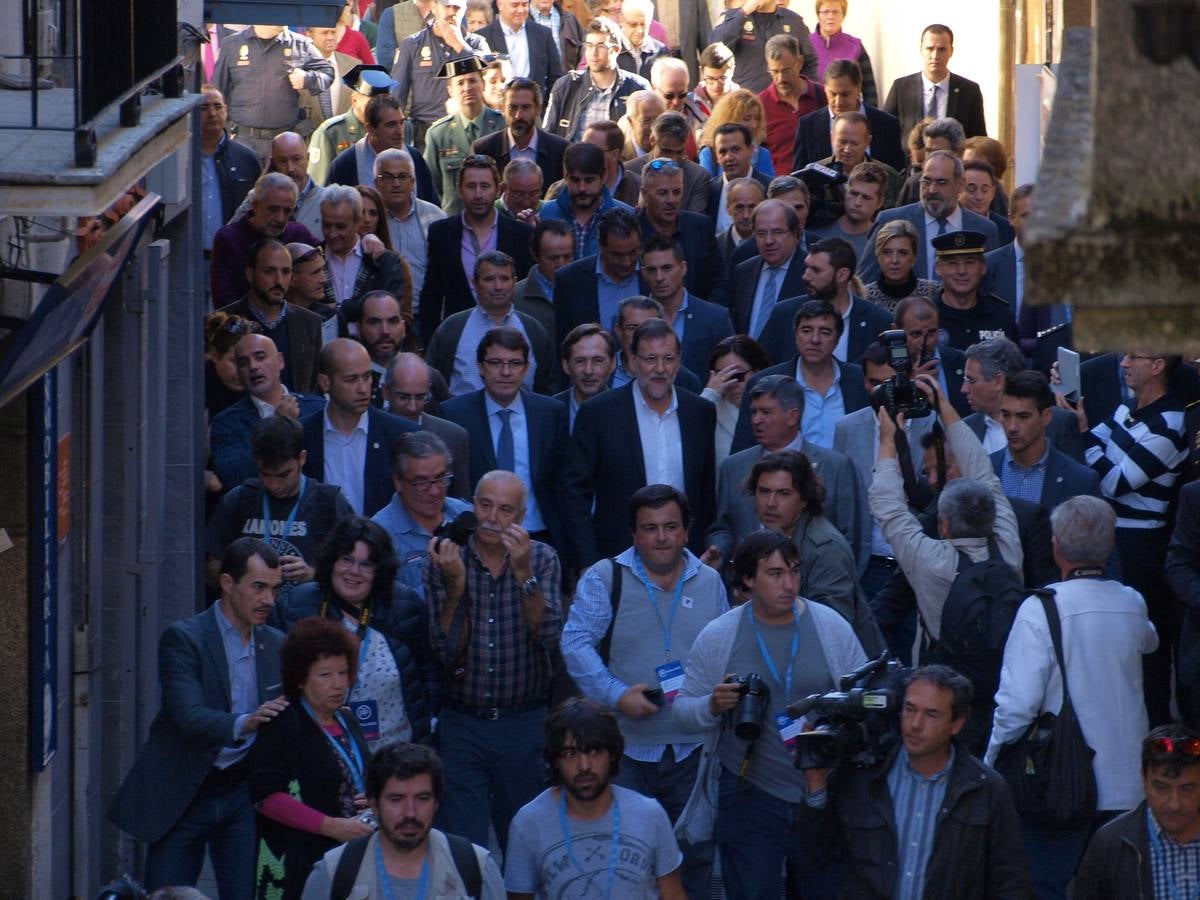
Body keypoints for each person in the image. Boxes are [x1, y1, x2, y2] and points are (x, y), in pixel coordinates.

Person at [672, 529, 867, 900]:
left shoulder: (830, 627)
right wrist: (712, 705)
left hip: (821, 789)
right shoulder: (720, 636)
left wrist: (834, 724)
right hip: (749, 793)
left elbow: (863, 700)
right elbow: (682, 712)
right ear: (748, 579)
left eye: (794, 571)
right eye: (775, 574)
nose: (789, 584)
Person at [986, 496, 1158, 899]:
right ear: (1110, 547)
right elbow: (1150, 642)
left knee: (1046, 887)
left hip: (1060, 786)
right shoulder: (1132, 603)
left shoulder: (1040, 609)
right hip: (1129, 786)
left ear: (1056, 546)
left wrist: (991, 761)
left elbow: (1017, 705)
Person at [560, 485, 727, 896]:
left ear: (687, 532)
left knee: (695, 861)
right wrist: (616, 694)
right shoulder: (605, 577)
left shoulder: (711, 583)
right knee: (625, 863)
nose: (661, 537)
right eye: (649, 528)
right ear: (634, 534)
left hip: (694, 750)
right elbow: (575, 642)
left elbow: (725, 654)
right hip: (627, 750)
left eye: (671, 526)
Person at [108, 539, 288, 898]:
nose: (268, 599)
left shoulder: (276, 643)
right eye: (258, 587)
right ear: (226, 584)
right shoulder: (185, 638)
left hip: (240, 792)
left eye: (274, 589)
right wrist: (247, 722)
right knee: (167, 893)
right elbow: (188, 716)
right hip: (185, 792)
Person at [868, 376, 1022, 748]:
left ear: (946, 524)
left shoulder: (932, 561)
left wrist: (888, 441)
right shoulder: (1008, 546)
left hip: (943, 694)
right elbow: (982, 470)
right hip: (1004, 687)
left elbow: (887, 505)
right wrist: (945, 406)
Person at [797, 665, 1031, 898]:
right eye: (910, 709)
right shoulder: (863, 776)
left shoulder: (985, 789)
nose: (915, 724)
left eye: (931, 714)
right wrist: (817, 786)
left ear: (957, 723)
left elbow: (1010, 882)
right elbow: (818, 854)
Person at [425, 470, 564, 851]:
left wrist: (524, 576)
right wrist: (456, 586)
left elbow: (549, 635)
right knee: (462, 844)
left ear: (520, 519)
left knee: (524, 841)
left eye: (505, 510)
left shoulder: (543, 558)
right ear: (472, 504)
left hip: (525, 721)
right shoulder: (445, 556)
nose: (492, 517)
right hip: (462, 722)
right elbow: (442, 650)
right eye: (485, 505)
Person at [1061, 351, 1188, 727]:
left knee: (1147, 652)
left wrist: (1085, 436)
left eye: (1135, 356)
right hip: (1116, 542)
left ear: (1158, 365)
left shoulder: (1172, 422)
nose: (1123, 363)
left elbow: (1115, 482)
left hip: (1142, 552)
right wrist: (1086, 432)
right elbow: (1098, 449)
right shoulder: (1128, 408)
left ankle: (1156, 730)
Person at [274, 517, 438, 753]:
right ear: (331, 561)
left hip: (396, 754)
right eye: (346, 560)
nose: (354, 572)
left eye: (366, 564)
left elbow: (429, 675)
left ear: (379, 570)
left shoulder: (404, 606)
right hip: (322, 754)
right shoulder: (297, 605)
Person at [565, 318, 717, 566]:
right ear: (633, 362)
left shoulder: (700, 412)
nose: (660, 368)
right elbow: (575, 494)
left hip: (686, 558)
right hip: (618, 558)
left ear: (678, 361)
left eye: (668, 359)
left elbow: (706, 493)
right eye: (650, 359)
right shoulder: (598, 414)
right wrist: (589, 563)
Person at [505, 698, 689, 899]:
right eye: (570, 753)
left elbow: (674, 895)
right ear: (555, 760)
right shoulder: (529, 823)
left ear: (612, 754)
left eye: (594, 751)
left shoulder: (650, 815)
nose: (584, 766)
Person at [244, 617, 374, 898]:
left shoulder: (347, 717)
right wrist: (332, 826)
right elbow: (266, 797)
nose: (338, 684)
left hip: (353, 856)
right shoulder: (283, 721)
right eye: (325, 675)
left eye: (343, 672)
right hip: (300, 859)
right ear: (300, 678)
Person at [710, 373, 865, 580]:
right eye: (754, 412)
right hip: (747, 594)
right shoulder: (733, 466)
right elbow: (724, 527)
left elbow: (852, 537)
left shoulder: (835, 467)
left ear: (793, 416)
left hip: (816, 591)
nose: (756, 420)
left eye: (766, 412)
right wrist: (718, 551)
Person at [301, 742, 506, 899]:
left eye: (422, 798)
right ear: (374, 804)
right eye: (396, 799)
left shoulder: (477, 869)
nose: (410, 813)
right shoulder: (333, 873)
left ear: (436, 802)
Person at [438, 326, 568, 543]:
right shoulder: (454, 414)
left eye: (515, 363)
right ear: (480, 367)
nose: (506, 372)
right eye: (496, 363)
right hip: (479, 537)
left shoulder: (550, 413)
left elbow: (563, 482)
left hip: (540, 536)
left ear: (526, 368)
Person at [206, 415, 352, 603]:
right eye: (265, 475)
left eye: (283, 475)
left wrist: (313, 574)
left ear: (302, 458)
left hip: (308, 619)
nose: (274, 485)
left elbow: (357, 573)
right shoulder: (239, 500)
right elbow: (211, 569)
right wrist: (244, 574)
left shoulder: (329, 502)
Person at [832, 342, 938, 600]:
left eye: (889, 382)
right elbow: (841, 500)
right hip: (868, 566)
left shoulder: (934, 422)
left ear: (908, 379)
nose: (881, 391)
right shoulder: (847, 428)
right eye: (873, 382)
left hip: (918, 564)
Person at [1074, 725, 1200, 899]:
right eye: (1162, 788)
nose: (1174, 804)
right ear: (1143, 779)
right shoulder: (1110, 843)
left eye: (1187, 789)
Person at [731, 300, 873, 452]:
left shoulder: (860, 379)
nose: (815, 340)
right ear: (796, 334)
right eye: (806, 331)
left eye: (825, 332)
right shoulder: (762, 382)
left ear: (838, 338)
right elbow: (744, 447)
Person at [418, 155, 536, 339]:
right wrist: (428, 344)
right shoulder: (441, 233)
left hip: (509, 339)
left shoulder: (521, 234)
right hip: (458, 337)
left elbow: (527, 293)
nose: (478, 194)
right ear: (460, 190)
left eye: (485, 186)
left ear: (498, 190)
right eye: (471, 186)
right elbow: (432, 294)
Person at [300, 339, 418, 517]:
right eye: (351, 379)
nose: (363, 389)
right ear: (325, 383)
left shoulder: (401, 435)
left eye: (367, 376)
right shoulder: (302, 436)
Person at [857, 150, 1000, 284]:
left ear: (960, 184)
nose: (932, 190)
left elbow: (990, 285)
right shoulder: (889, 221)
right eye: (926, 182)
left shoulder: (984, 229)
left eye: (942, 182)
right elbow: (865, 283)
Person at [424, 251, 556, 396]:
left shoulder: (534, 330)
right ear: (475, 283)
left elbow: (548, 385)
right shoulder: (451, 329)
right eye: (489, 279)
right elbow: (430, 381)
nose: (498, 286)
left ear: (514, 282)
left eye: (504, 279)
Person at [209, 333, 326, 491]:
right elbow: (234, 477)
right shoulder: (226, 422)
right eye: (244, 363)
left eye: (260, 357)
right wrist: (277, 428)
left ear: (280, 361)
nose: (253, 367)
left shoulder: (318, 408)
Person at [756, 237, 892, 366]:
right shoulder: (784, 314)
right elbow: (763, 367)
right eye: (807, 268)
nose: (805, 276)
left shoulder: (878, 321)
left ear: (842, 275)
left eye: (815, 270)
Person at [372, 430, 474, 597]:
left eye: (441, 478)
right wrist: (445, 580)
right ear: (398, 482)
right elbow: (389, 607)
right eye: (421, 482)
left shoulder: (466, 514)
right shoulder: (379, 535)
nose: (434, 491)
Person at [216, 239, 325, 394]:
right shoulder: (222, 323)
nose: (278, 281)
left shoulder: (310, 323)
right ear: (250, 274)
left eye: (286, 272)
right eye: (269, 271)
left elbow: (313, 387)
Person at [211, 25, 334, 161]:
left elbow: (328, 73)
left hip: (283, 143)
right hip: (241, 140)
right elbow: (217, 91)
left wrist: (307, 79)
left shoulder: (300, 44)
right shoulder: (232, 44)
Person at [390, 0, 492, 151]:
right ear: (434, 7)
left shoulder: (477, 43)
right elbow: (397, 96)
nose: (452, 11)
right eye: (447, 6)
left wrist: (459, 46)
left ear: (464, 10)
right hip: (425, 131)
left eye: (457, 7)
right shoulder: (412, 45)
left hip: (471, 131)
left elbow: (489, 73)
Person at [210, 173, 320, 309]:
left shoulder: (298, 234)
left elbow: (323, 272)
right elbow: (224, 301)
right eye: (273, 209)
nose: (280, 218)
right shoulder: (229, 239)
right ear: (255, 205)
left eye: (287, 211)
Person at [883, 23, 987, 156]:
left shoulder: (969, 91)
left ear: (951, 51)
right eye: (929, 48)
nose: (935, 55)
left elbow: (978, 139)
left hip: (953, 169)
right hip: (910, 169)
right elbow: (886, 132)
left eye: (942, 49)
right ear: (921, 50)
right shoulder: (902, 88)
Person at [640, 235, 735, 378]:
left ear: (683, 268)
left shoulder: (715, 318)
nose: (659, 277)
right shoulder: (632, 320)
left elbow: (730, 373)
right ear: (644, 273)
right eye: (652, 270)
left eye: (667, 268)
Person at [423, 55, 506, 215]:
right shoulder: (438, 134)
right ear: (450, 91)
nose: (467, 87)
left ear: (482, 84)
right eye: (460, 83)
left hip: (495, 219)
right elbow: (431, 186)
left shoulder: (502, 126)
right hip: (454, 221)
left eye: (472, 81)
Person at [960, 338, 1074, 454]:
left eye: (971, 380)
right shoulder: (965, 430)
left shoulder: (1058, 424)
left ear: (998, 381)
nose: (963, 389)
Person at [543, 18, 649, 140]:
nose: (593, 53)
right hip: (574, 156)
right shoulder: (565, 86)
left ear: (616, 50)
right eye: (589, 46)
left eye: (601, 46)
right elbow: (548, 135)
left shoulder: (637, 88)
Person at [381, 354, 472, 494]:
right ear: (386, 392)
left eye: (420, 397)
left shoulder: (453, 437)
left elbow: (460, 500)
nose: (412, 407)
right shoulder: (371, 431)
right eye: (403, 397)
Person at [552, 206, 646, 339]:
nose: (626, 262)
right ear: (601, 246)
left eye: (633, 252)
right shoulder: (569, 281)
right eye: (617, 255)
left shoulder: (652, 274)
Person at [375, 147, 446, 312]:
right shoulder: (369, 218)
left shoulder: (434, 216)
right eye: (387, 177)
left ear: (413, 182)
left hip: (424, 313)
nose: (396, 183)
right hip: (381, 315)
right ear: (377, 182)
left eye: (402, 176)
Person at [541, 141, 636, 263]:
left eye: (589, 180)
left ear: (603, 177)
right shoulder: (546, 214)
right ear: (565, 177)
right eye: (575, 180)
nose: (582, 188)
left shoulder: (626, 216)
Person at [320, 187, 410, 316]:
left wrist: (341, 308)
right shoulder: (313, 260)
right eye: (327, 225)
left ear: (357, 222)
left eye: (340, 227)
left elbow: (391, 311)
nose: (332, 234)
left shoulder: (384, 261)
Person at [727, 199, 808, 337]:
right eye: (761, 233)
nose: (769, 241)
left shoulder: (811, 272)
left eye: (777, 232)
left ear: (796, 235)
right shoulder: (744, 271)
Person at [472, 78, 570, 192]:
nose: (519, 115)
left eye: (526, 107)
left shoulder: (559, 150)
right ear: (502, 109)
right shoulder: (484, 149)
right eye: (512, 108)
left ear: (538, 109)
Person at [307, 64, 395, 187]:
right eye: (372, 104)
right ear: (354, 101)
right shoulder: (331, 133)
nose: (379, 110)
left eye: (384, 103)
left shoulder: (398, 129)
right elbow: (318, 188)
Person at [199, 85, 261, 256]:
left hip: (234, 258)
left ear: (226, 111)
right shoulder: (183, 160)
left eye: (217, 107)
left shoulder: (247, 159)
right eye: (204, 108)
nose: (212, 114)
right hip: (191, 261)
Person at [709, 0, 817, 94]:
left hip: (782, 104)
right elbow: (714, 47)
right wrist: (744, 12)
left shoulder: (793, 20)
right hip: (745, 102)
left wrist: (805, 94)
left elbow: (810, 62)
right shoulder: (736, 16)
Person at [756, 34, 824, 177]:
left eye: (786, 71)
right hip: (778, 189)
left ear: (800, 63)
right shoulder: (759, 106)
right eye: (774, 72)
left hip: (818, 187)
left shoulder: (822, 96)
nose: (780, 79)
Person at [702, 334, 771, 467]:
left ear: (758, 371)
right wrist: (710, 394)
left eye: (738, 375)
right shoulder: (710, 410)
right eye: (724, 376)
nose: (732, 384)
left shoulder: (777, 408)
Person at [625, 115, 714, 217]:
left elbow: (693, 224)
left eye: (680, 152)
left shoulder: (698, 177)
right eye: (667, 151)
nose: (673, 159)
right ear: (652, 140)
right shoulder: (630, 171)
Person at [806, 160, 891, 261]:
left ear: (879, 203)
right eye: (854, 194)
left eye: (866, 197)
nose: (857, 202)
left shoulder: (882, 243)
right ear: (845, 192)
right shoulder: (816, 232)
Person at [476, 0, 563, 93]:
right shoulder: (482, 38)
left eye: (525, 5)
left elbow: (555, 78)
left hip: (536, 105)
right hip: (496, 105)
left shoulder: (543, 34)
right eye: (515, 5)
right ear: (499, 4)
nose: (521, 10)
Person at [514, 219, 574, 345]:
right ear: (535, 255)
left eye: (567, 257)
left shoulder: (586, 290)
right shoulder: (514, 297)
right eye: (553, 258)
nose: (561, 264)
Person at [861, 218, 939, 314]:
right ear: (878, 256)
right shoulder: (864, 297)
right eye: (887, 252)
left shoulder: (934, 293)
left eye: (903, 253)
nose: (894, 260)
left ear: (914, 257)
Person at [809, 0, 877, 107]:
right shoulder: (805, 44)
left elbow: (869, 88)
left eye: (836, 12)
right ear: (818, 14)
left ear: (843, 15)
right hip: (814, 113)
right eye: (826, 12)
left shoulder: (856, 46)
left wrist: (869, 117)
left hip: (848, 114)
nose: (830, 16)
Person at [704, 123, 772, 231]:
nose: (729, 157)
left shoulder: (769, 188)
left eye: (735, 150)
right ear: (716, 156)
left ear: (750, 150)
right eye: (723, 151)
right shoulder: (708, 191)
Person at [698, 89, 774, 178]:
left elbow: (769, 188)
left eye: (757, 118)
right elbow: (707, 189)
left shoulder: (763, 154)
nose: (754, 125)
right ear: (730, 119)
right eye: (746, 119)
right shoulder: (709, 154)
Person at [557, 323, 618, 431]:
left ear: (613, 363)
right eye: (580, 361)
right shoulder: (548, 414)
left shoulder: (627, 411)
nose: (588, 370)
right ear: (566, 365)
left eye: (598, 360)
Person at [204, 312, 254, 421]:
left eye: (247, 362)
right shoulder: (200, 388)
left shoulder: (257, 388)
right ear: (216, 356)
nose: (242, 371)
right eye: (235, 361)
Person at [715, 177, 766, 272]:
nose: (746, 215)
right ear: (728, 209)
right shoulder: (715, 246)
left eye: (752, 207)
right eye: (739, 207)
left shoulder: (770, 246)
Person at [285, 243, 336, 326]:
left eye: (323, 270)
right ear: (291, 279)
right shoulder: (272, 319)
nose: (324, 280)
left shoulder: (329, 316)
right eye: (315, 273)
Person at [617, 0, 669, 78]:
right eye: (633, 25)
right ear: (621, 20)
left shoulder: (660, 51)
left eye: (644, 25)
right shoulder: (612, 51)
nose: (639, 30)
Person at [531, 0, 586, 70]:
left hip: (566, 79)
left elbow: (583, 53)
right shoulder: (522, 21)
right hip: (533, 80)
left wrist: (579, 74)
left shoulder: (569, 20)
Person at [691, 42, 734, 121]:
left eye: (722, 78)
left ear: (733, 71)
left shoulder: (741, 102)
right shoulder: (690, 104)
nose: (716, 85)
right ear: (702, 71)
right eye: (710, 79)